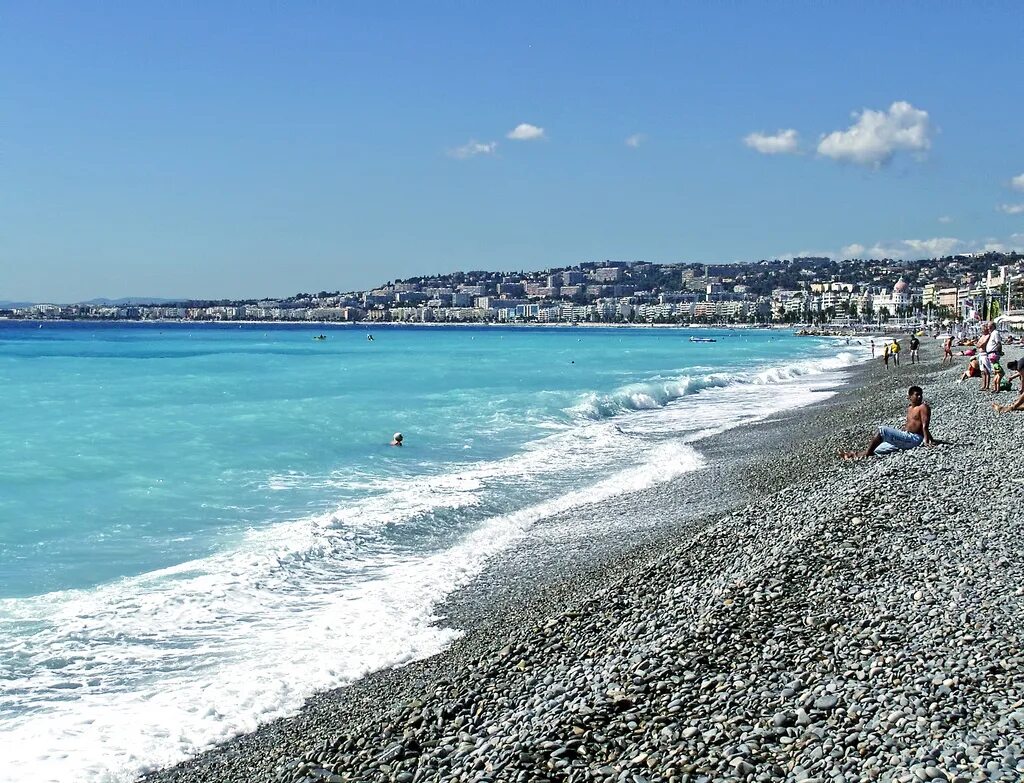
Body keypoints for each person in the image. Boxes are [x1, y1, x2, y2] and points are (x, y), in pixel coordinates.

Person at [840, 385, 935, 459]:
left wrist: (927, 441)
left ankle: (865, 454)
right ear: (909, 397)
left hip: (914, 439)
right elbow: (913, 423)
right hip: (906, 437)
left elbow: (924, 426)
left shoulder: (923, 407)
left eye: (920, 395)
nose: (919, 397)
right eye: (916, 395)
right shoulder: (910, 408)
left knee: (882, 430)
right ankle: (854, 455)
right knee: (877, 449)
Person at [976, 324, 993, 390]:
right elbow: (978, 344)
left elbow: (982, 344)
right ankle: (983, 385)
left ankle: (987, 386)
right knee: (982, 371)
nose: (982, 330)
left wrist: (979, 344)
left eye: (983, 329)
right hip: (980, 354)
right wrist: (979, 344)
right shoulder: (983, 336)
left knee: (986, 370)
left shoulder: (988, 336)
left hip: (985, 354)